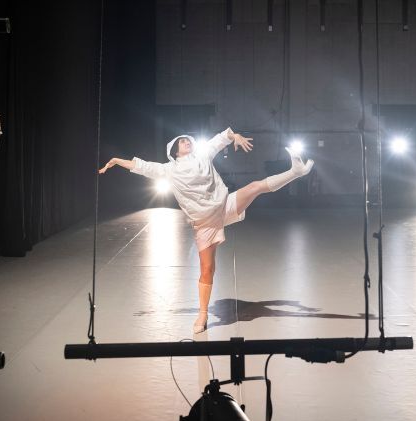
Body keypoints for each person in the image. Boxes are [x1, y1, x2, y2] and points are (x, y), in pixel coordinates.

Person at [100, 127, 313, 333]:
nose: (187, 142)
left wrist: (234, 135)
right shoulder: (168, 170)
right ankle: (203, 314)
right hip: (204, 223)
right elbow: (143, 167)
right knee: (207, 269)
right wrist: (117, 161)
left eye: (188, 140)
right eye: (182, 141)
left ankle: (296, 171)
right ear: (174, 150)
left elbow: (220, 139)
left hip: (224, 206)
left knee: (255, 187)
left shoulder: (203, 155)